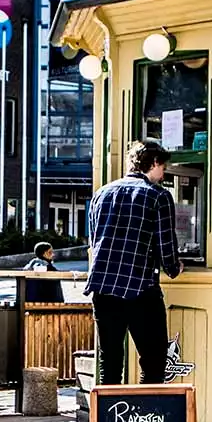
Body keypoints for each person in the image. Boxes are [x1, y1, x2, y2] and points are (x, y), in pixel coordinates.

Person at [85, 141, 182, 385]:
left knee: (110, 359)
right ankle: (147, 416)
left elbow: (94, 240)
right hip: (140, 288)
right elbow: (165, 244)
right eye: (164, 166)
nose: (164, 173)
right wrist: (174, 268)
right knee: (153, 359)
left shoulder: (101, 193)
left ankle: (109, 419)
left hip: (103, 288)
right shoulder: (158, 196)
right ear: (155, 163)